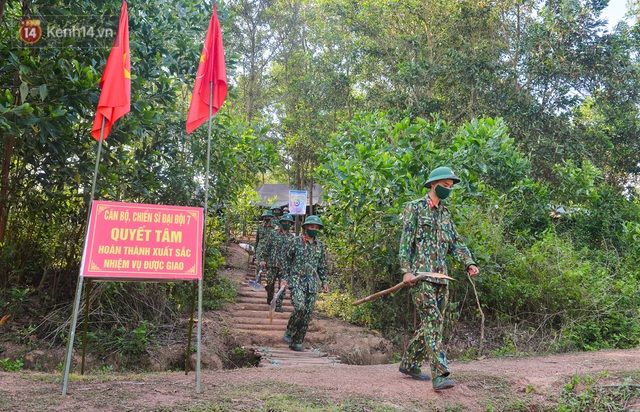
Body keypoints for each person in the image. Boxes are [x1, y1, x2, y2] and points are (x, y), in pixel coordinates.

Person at [398, 166, 480, 391]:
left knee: (433, 324)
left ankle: (409, 363)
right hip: (420, 277)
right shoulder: (415, 209)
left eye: (451, 187)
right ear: (433, 184)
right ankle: (440, 374)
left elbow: (456, 243)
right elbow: (405, 244)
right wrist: (406, 270)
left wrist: (469, 263)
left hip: (442, 278)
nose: (448, 189)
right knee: (433, 321)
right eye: (445, 185)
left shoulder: (445, 214)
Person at [280, 215, 328, 351]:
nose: (314, 229)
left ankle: (297, 342)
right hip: (297, 281)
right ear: (306, 227)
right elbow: (287, 260)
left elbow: (322, 267)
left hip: (312, 284)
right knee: (299, 307)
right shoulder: (296, 242)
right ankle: (289, 331)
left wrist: (324, 282)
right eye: (311, 227)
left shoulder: (320, 247)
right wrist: (285, 277)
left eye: (316, 227)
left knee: (307, 313)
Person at [259, 213, 296, 310]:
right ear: (281, 223)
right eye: (284, 222)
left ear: (291, 224)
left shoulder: (292, 238)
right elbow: (267, 247)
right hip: (272, 264)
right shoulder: (274, 233)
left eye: (288, 222)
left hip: (284, 266)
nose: (286, 223)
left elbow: (293, 254)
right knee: (269, 283)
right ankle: (270, 297)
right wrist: (263, 259)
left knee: (282, 286)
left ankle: (278, 305)